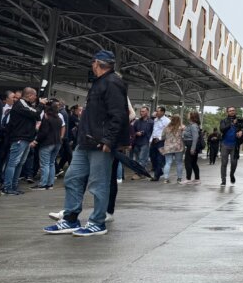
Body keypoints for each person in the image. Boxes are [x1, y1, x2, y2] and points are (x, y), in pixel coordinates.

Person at [43, 50, 128, 237]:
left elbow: (118, 115)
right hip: (86, 141)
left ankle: (98, 222)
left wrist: (108, 140)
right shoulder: (101, 82)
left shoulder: (113, 82)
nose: (91, 66)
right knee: (72, 178)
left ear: (97, 63)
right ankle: (71, 218)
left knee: (99, 183)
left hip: (99, 142)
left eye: (92, 62)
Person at [1, 88, 41, 195]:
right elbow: (36, 114)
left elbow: (35, 114)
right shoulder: (21, 104)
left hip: (25, 138)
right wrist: (40, 105)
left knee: (19, 163)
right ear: (29, 95)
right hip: (20, 138)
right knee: (13, 163)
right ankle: (8, 187)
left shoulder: (25, 105)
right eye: (34, 95)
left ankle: (13, 186)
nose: (35, 98)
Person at [30, 101, 62, 190]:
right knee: (51, 163)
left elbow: (44, 132)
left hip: (47, 143)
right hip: (57, 143)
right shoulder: (59, 118)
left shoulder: (47, 117)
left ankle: (43, 184)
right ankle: (50, 183)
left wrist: (36, 141)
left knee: (45, 164)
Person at [219, 106, 243, 186]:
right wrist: (231, 123)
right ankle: (223, 180)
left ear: (235, 111)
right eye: (230, 111)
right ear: (227, 112)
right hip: (225, 144)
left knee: (234, 162)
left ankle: (232, 174)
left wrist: (241, 131)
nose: (232, 112)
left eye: (233, 110)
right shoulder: (224, 121)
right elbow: (222, 129)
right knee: (224, 163)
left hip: (235, 145)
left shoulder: (240, 121)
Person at [160, 114, 185, 184]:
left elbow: (162, 137)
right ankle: (179, 178)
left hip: (168, 147)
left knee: (168, 162)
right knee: (179, 162)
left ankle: (166, 178)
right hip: (178, 147)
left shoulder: (166, 128)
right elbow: (184, 137)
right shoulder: (182, 127)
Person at [131, 106, 153, 179]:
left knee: (142, 158)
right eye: (141, 111)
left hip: (145, 142)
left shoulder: (151, 122)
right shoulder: (137, 121)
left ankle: (139, 174)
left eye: (143, 111)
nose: (141, 113)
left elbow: (152, 131)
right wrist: (136, 133)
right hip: (137, 142)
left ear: (147, 112)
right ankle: (143, 173)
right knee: (137, 159)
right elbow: (132, 130)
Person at [149, 106, 170, 181]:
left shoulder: (167, 121)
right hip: (154, 141)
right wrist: (151, 140)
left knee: (159, 158)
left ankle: (156, 176)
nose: (156, 112)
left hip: (161, 141)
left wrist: (160, 138)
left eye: (158, 111)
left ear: (162, 112)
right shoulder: (155, 120)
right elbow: (154, 130)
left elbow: (168, 132)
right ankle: (160, 172)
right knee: (152, 157)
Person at [183, 111, 201, 184]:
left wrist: (192, 148)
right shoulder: (192, 125)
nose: (187, 115)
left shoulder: (193, 126)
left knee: (188, 162)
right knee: (193, 163)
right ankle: (197, 178)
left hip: (191, 145)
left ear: (192, 116)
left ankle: (188, 178)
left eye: (189, 114)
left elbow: (195, 137)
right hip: (191, 145)